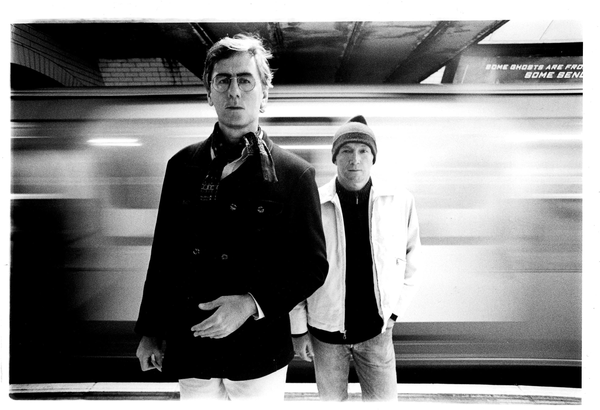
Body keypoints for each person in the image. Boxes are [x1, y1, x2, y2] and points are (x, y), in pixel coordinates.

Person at [135, 33, 328, 401]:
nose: (234, 91)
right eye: (222, 80)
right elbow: (164, 255)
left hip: (258, 350)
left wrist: (250, 303)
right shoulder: (182, 166)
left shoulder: (293, 174)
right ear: (209, 93)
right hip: (192, 342)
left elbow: (312, 266)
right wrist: (151, 330)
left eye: (245, 80)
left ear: (264, 94)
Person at [290, 115, 421, 401]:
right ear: (335, 158)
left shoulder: (399, 201)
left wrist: (394, 312)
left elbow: (412, 261)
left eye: (363, 151)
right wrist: (298, 330)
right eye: (346, 151)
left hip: (377, 333)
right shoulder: (312, 204)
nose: (355, 159)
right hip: (325, 334)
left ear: (373, 158)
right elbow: (295, 270)